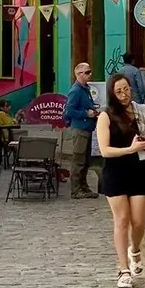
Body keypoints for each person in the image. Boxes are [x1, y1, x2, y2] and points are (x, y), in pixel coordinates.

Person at [97, 72, 145, 288]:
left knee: (139, 221)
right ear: (112, 93)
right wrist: (130, 149)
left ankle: (135, 249)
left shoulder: (142, 111)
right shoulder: (106, 116)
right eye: (118, 91)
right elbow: (105, 150)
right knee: (121, 220)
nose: (123, 94)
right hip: (115, 171)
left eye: (126, 89)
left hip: (139, 170)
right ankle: (123, 270)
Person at [63, 62, 99, 200]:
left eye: (90, 71)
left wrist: (94, 112)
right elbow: (69, 110)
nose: (90, 74)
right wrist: (86, 114)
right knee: (78, 160)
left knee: (86, 161)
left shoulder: (85, 89)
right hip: (80, 129)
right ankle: (76, 190)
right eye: (87, 72)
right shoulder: (76, 90)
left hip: (87, 128)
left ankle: (84, 187)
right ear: (79, 74)